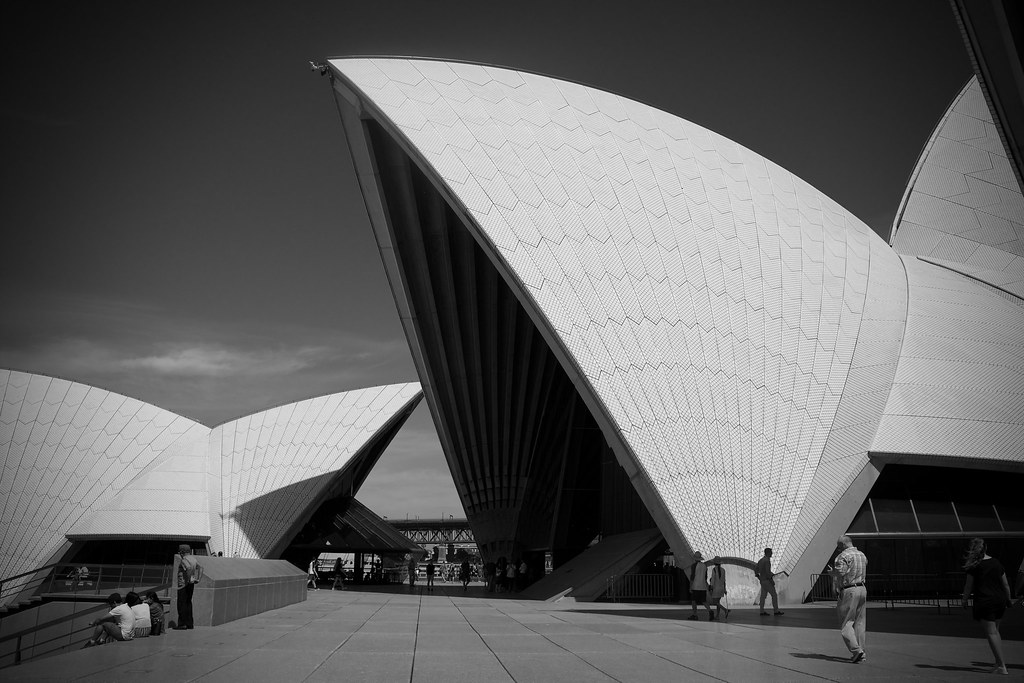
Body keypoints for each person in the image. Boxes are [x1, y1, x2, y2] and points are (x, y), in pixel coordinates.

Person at [961, 538, 1012, 675]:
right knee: (996, 631)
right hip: (999, 600)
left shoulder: (974, 565)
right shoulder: (996, 562)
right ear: (986, 548)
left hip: (985, 601)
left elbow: (968, 586)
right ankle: (998, 662)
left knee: (991, 633)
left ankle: (1001, 666)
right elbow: (1005, 584)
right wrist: (1009, 599)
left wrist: (964, 599)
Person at [829, 535, 868, 663]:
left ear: (844, 544)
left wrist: (832, 573)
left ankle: (856, 651)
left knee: (846, 622)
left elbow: (840, 572)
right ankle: (861, 651)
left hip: (849, 589)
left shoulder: (843, 556)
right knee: (860, 622)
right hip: (862, 588)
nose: (838, 549)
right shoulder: (862, 555)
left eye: (839, 546)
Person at [174, 544, 201, 630]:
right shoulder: (193, 559)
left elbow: (188, 568)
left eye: (180, 552)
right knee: (188, 603)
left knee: (181, 604)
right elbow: (201, 568)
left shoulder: (184, 560)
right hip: (191, 584)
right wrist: (197, 579)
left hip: (183, 584)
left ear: (182, 552)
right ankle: (190, 624)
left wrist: (188, 579)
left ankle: (182, 624)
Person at [755, 548, 783, 616]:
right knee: (774, 595)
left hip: (762, 581)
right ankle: (776, 611)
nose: (772, 553)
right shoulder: (767, 561)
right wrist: (771, 580)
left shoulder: (761, 560)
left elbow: (756, 570)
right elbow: (767, 573)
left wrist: (759, 578)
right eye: (771, 552)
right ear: (767, 553)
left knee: (763, 596)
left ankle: (761, 611)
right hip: (767, 581)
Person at [687, 551, 714, 620]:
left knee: (693, 601)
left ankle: (695, 614)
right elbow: (705, 577)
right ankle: (710, 611)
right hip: (703, 586)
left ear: (695, 558)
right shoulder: (704, 566)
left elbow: (692, 577)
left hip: (695, 586)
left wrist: (690, 587)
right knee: (703, 600)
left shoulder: (694, 566)